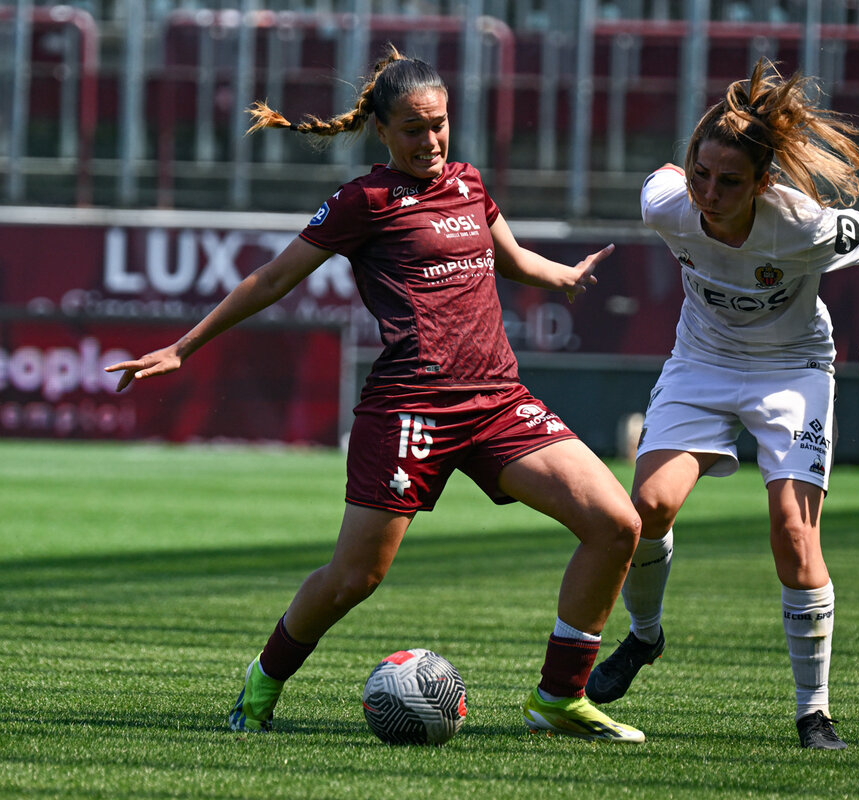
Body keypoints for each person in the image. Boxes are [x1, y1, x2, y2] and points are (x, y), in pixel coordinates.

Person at [105, 46, 647, 743]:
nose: (430, 141)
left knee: (616, 524)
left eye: (439, 124)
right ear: (383, 131)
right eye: (414, 129)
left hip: (497, 400)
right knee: (354, 579)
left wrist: (563, 276)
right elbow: (272, 280)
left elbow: (509, 259)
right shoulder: (363, 202)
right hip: (409, 410)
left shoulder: (469, 184)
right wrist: (183, 347)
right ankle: (263, 679)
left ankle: (559, 698)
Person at [583, 60, 859, 750]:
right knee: (647, 509)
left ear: (763, 182)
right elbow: (665, 179)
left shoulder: (803, 225)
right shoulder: (667, 204)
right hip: (701, 363)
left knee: (793, 532)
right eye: (700, 174)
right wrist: (685, 176)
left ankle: (814, 713)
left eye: (729, 182)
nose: (709, 193)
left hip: (793, 371)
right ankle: (644, 637)